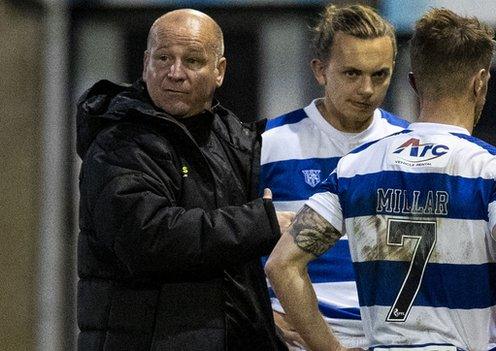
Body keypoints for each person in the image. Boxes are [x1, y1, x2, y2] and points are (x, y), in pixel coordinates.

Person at [266, 7, 496, 350]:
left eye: (379, 75)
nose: (366, 89)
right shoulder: (487, 170)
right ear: (480, 82)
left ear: (413, 81)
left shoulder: (355, 167)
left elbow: (282, 265)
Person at [76, 8, 289, 351]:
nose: (174, 73)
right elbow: (149, 238)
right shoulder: (118, 143)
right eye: (163, 58)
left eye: (192, 61)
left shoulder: (236, 141)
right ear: (145, 63)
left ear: (219, 71)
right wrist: (260, 223)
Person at [259, 4, 407, 349]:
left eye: (380, 74)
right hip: (295, 341)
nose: (367, 89)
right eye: (352, 74)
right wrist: (263, 311)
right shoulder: (269, 144)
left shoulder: (408, 148)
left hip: (392, 338)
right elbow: (232, 246)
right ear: (320, 71)